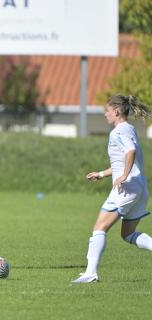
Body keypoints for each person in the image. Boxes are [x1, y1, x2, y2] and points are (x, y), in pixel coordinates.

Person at [72, 95, 152, 283]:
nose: (106, 114)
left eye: (107, 111)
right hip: (140, 187)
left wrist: (124, 175)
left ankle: (90, 273)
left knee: (99, 227)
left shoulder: (118, 132)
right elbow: (121, 161)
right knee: (128, 234)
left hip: (126, 188)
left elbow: (130, 151)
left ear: (116, 111)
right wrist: (101, 174)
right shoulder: (129, 129)